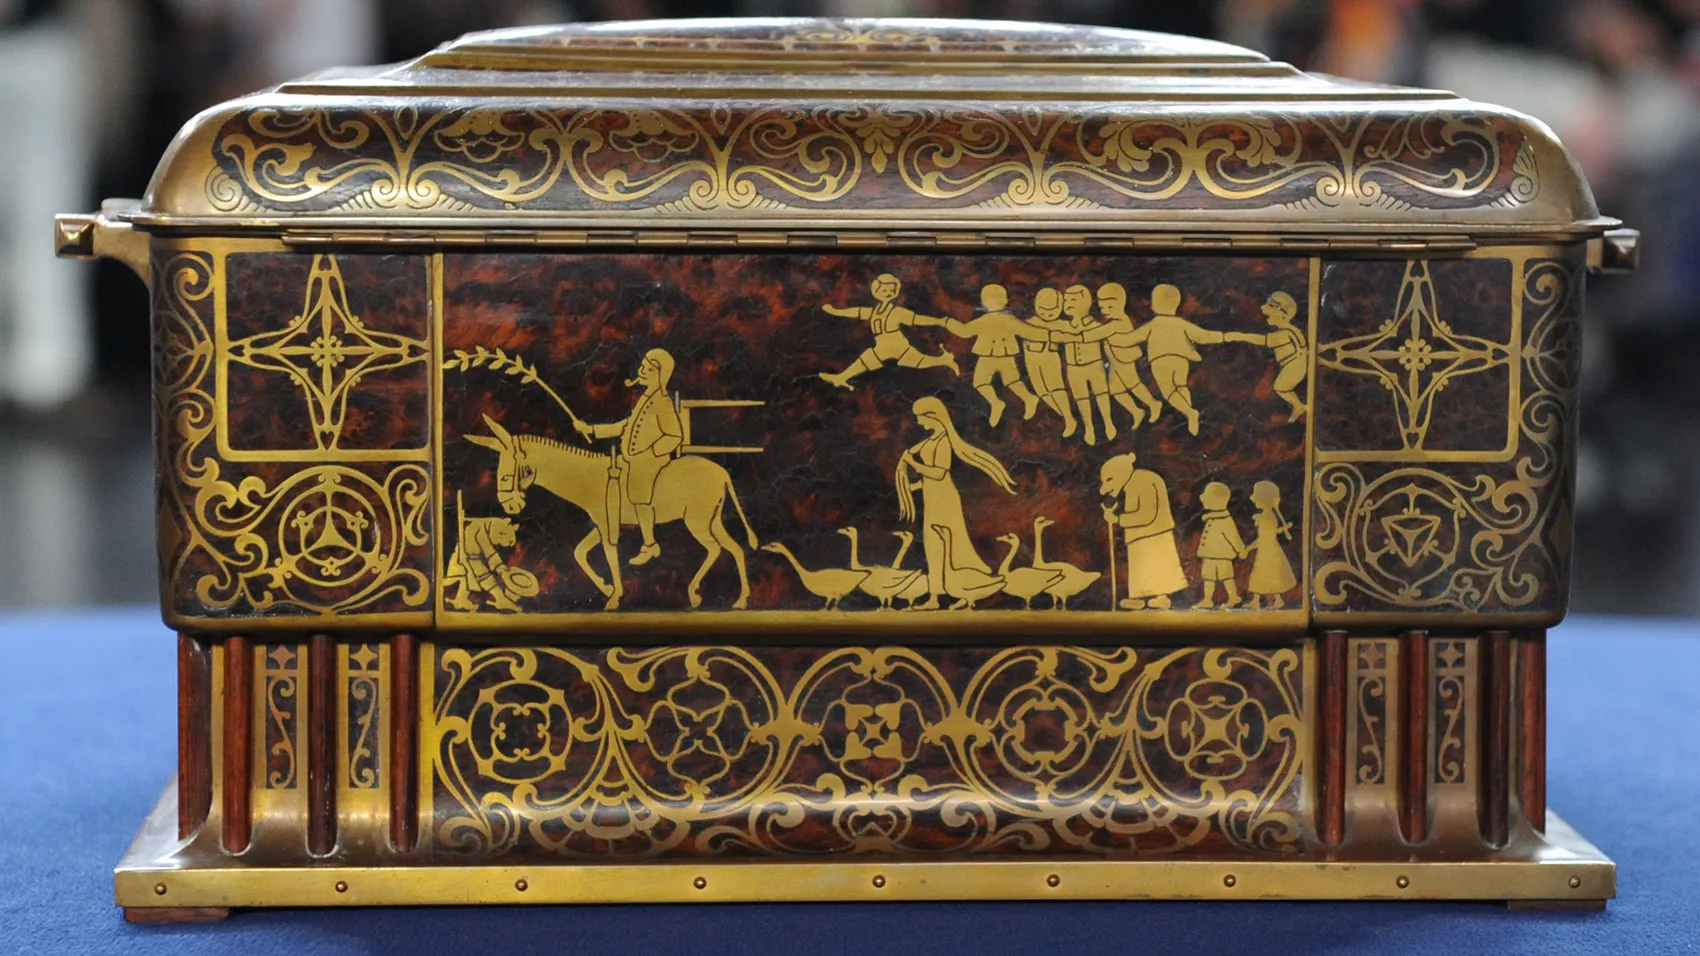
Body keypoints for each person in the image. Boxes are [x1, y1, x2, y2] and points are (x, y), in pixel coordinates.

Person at [896, 396, 1017, 609]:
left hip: (944, 501)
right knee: (933, 546)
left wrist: (911, 462)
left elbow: (939, 473)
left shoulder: (943, 442)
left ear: (933, 416)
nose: (919, 422)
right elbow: (930, 478)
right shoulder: (931, 441)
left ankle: (961, 590)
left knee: (951, 545)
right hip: (933, 497)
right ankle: (935, 597)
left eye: (920, 417)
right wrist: (913, 486)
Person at [575, 348, 683, 566]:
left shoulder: (662, 402)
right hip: (633, 460)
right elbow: (624, 426)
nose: (641, 371)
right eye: (643, 366)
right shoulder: (646, 399)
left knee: (640, 496)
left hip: (650, 462)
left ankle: (650, 544)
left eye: (648, 369)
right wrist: (592, 430)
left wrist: (650, 453)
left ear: (660, 376)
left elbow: (675, 436)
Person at [1119, 283, 1231, 435]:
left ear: (1155, 304)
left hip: (1161, 360)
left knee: (1168, 391)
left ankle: (1190, 413)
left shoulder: (1153, 324)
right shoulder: (1181, 323)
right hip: (1181, 360)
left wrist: (1114, 337)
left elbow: (1130, 339)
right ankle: (1188, 416)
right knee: (1181, 386)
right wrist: (1225, 336)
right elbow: (1203, 336)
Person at [819, 273, 959, 390]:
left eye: (891, 291)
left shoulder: (896, 312)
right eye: (884, 290)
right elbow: (856, 312)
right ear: (876, 291)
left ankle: (944, 360)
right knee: (871, 358)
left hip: (898, 345)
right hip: (882, 346)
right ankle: (841, 378)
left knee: (918, 361)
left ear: (895, 293)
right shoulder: (874, 312)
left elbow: (918, 319)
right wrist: (836, 311)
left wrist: (939, 321)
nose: (887, 293)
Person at [944, 284, 1043, 426]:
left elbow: (964, 331)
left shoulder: (996, 320)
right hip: (994, 357)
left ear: (984, 302)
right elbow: (1028, 332)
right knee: (1001, 382)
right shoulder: (1001, 320)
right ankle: (1004, 402)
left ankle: (1010, 401)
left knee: (991, 382)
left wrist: (948, 322)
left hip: (995, 357)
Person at [1099, 452, 1187, 610]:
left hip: (1154, 534)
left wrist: (1118, 519)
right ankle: (1138, 598)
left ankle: (1162, 597)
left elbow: (1146, 515)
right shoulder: (1135, 482)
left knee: (1158, 566)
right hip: (1140, 535)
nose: (1103, 490)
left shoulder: (1144, 482)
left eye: (1109, 480)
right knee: (1140, 568)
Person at [1228, 290, 1308, 422]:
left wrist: (1240, 336)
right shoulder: (1292, 330)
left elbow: (1263, 340)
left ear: (1283, 314)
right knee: (1281, 387)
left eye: (1270, 306)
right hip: (1295, 363)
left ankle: (1299, 406)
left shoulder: (1283, 334)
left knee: (1280, 387)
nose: (1262, 308)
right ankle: (1299, 406)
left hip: (1295, 365)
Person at [1056, 284, 1117, 445]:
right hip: (1073, 369)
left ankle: (1108, 422)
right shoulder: (1064, 327)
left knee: (1101, 394)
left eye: (1073, 300)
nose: (1068, 304)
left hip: (1094, 366)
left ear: (1086, 303)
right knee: (1081, 398)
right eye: (1066, 300)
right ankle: (1089, 427)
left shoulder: (1095, 326)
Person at [1022, 287, 1078, 435]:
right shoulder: (1029, 322)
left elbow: (1075, 332)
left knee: (1055, 388)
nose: (1047, 315)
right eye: (1043, 310)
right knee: (1040, 390)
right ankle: (1065, 416)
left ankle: (1068, 417)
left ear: (1060, 308)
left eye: (1051, 312)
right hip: (1031, 359)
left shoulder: (1061, 324)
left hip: (1050, 358)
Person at [1245, 480, 1297, 609]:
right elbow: (1272, 532)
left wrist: (1248, 548)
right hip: (1267, 550)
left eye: (1255, 496)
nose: (1252, 498)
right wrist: (1282, 529)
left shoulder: (1266, 518)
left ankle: (1277, 600)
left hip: (1268, 552)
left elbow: (1264, 538)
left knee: (1266, 575)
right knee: (1261, 575)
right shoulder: (1268, 516)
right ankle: (1256, 600)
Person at [1195, 481, 1246, 609]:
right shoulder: (1212, 518)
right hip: (1209, 556)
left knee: (1226, 577)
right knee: (1208, 578)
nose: (1202, 498)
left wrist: (1241, 549)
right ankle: (1207, 600)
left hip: (1223, 556)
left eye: (1206, 495)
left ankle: (1233, 597)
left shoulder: (1225, 520)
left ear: (1215, 500)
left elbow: (1233, 537)